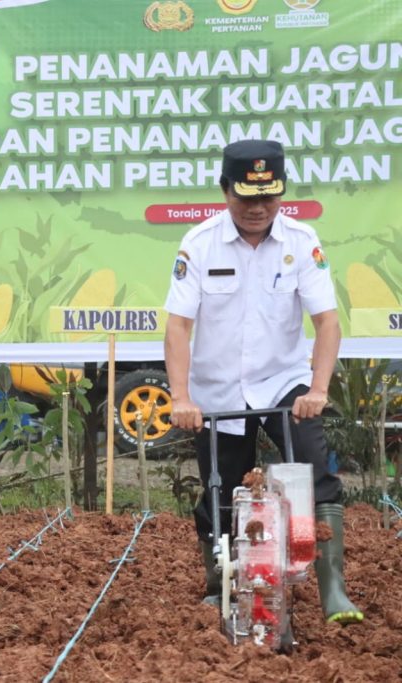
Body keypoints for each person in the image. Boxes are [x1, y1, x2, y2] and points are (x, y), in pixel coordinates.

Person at [163, 139, 362, 624]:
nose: (257, 209)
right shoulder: (200, 244)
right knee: (222, 488)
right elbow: (178, 326)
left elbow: (327, 322)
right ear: (224, 190)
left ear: (282, 193)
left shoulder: (300, 241)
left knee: (316, 473)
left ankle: (332, 589)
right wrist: (182, 397)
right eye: (245, 197)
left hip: (283, 384)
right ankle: (221, 580)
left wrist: (317, 389)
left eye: (268, 197)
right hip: (215, 392)